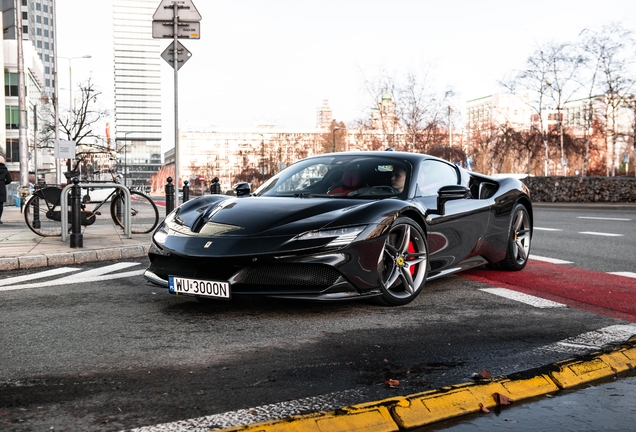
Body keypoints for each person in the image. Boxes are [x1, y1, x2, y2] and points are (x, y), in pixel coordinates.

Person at [0, 155, 12, 224]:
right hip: (1, 189)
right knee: (0, 205)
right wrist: (3, 183)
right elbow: (9, 180)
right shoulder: (5, 170)